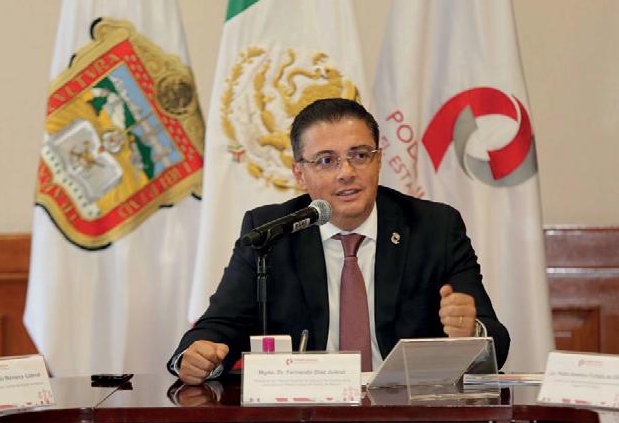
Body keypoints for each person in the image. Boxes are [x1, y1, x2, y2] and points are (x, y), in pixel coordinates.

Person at [168, 98, 510, 385]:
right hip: (305, 416)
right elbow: (220, 325)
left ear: (378, 161)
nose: (346, 172)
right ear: (300, 174)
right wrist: (199, 356)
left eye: (359, 155)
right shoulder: (270, 233)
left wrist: (471, 332)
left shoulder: (434, 227)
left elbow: (496, 339)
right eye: (326, 161)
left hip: (408, 412)